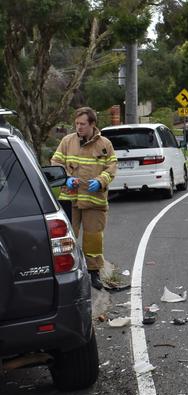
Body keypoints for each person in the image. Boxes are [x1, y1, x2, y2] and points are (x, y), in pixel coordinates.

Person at [51, 107, 117, 290]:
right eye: (77, 123)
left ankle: (94, 273)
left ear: (92, 124)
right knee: (66, 238)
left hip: (94, 200)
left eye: (83, 124)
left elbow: (112, 167)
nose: (78, 127)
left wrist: (101, 181)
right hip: (69, 199)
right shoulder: (67, 141)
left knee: (93, 238)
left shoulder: (104, 144)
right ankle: (66, 274)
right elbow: (55, 162)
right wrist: (66, 178)